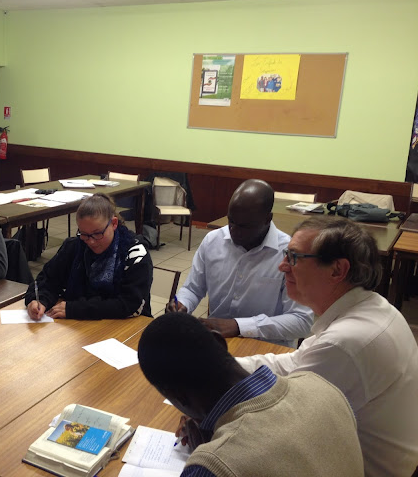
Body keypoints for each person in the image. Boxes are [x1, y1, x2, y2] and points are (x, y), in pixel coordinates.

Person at [236, 217, 418, 477]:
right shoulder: (370, 306)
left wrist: (208, 404)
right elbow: (294, 364)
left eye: (295, 258)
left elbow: (277, 425)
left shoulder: (344, 343)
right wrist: (220, 364)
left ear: (337, 271)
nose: (282, 266)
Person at [138, 312, 364, 477]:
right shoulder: (324, 387)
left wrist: (206, 458)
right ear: (220, 341)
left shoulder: (213, 466)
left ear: (179, 396)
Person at [167, 179, 312, 347]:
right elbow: (192, 288)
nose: (234, 231)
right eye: (231, 221)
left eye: (244, 226)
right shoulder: (213, 241)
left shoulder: (289, 254)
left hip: (268, 347)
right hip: (218, 342)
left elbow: (301, 321)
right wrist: (182, 302)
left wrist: (239, 326)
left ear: (267, 219)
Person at [25, 193, 152, 320]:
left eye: (97, 234)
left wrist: (76, 309)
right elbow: (47, 280)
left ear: (113, 224)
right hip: (80, 327)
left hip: (128, 326)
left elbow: (129, 304)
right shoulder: (74, 246)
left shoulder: (135, 254)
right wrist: (39, 300)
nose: (90, 241)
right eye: (84, 234)